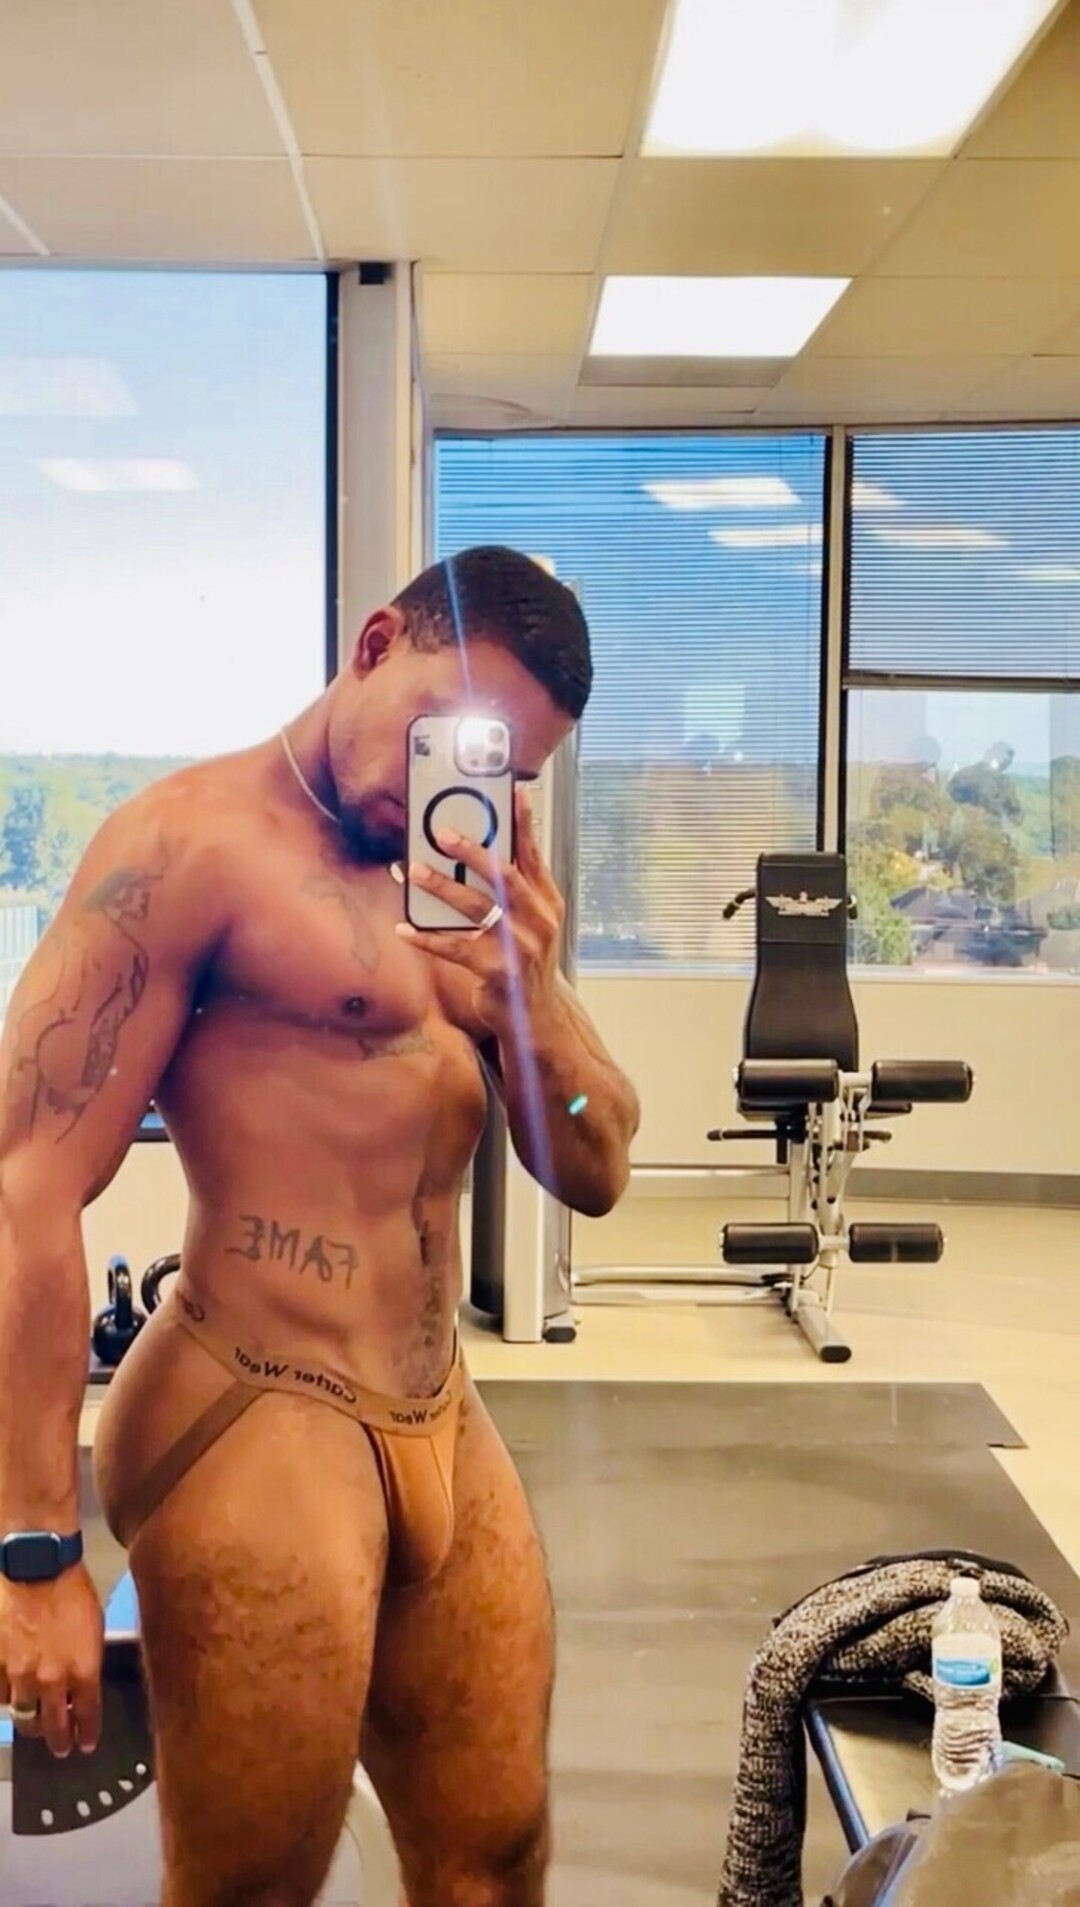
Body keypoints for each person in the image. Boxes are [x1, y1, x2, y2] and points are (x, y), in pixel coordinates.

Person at [0, 545, 640, 1907]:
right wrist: (36, 1551)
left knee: (495, 1860)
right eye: (443, 726)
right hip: (256, 1405)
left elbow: (595, 1157)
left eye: (506, 766)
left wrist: (533, 1000)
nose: (452, 780)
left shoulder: (472, 894)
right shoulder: (192, 848)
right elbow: (24, 1184)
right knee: (254, 1889)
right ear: (373, 645)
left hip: (440, 1415)